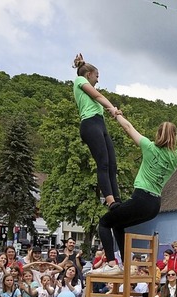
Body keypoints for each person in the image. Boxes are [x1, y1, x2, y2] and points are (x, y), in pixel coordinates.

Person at [91, 107, 177, 275]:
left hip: (140, 198)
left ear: (157, 134)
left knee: (104, 223)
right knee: (118, 224)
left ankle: (112, 265)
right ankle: (126, 266)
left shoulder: (149, 147)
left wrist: (117, 114)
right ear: (175, 137)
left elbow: (128, 127)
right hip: (154, 206)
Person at [72, 53, 122, 209]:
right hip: (90, 124)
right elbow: (98, 95)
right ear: (88, 75)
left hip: (100, 124)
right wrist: (113, 109)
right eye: (97, 76)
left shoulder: (90, 94)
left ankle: (118, 199)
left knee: (113, 165)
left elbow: (98, 98)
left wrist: (111, 110)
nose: (98, 80)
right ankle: (110, 201)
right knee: (104, 163)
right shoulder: (80, 80)